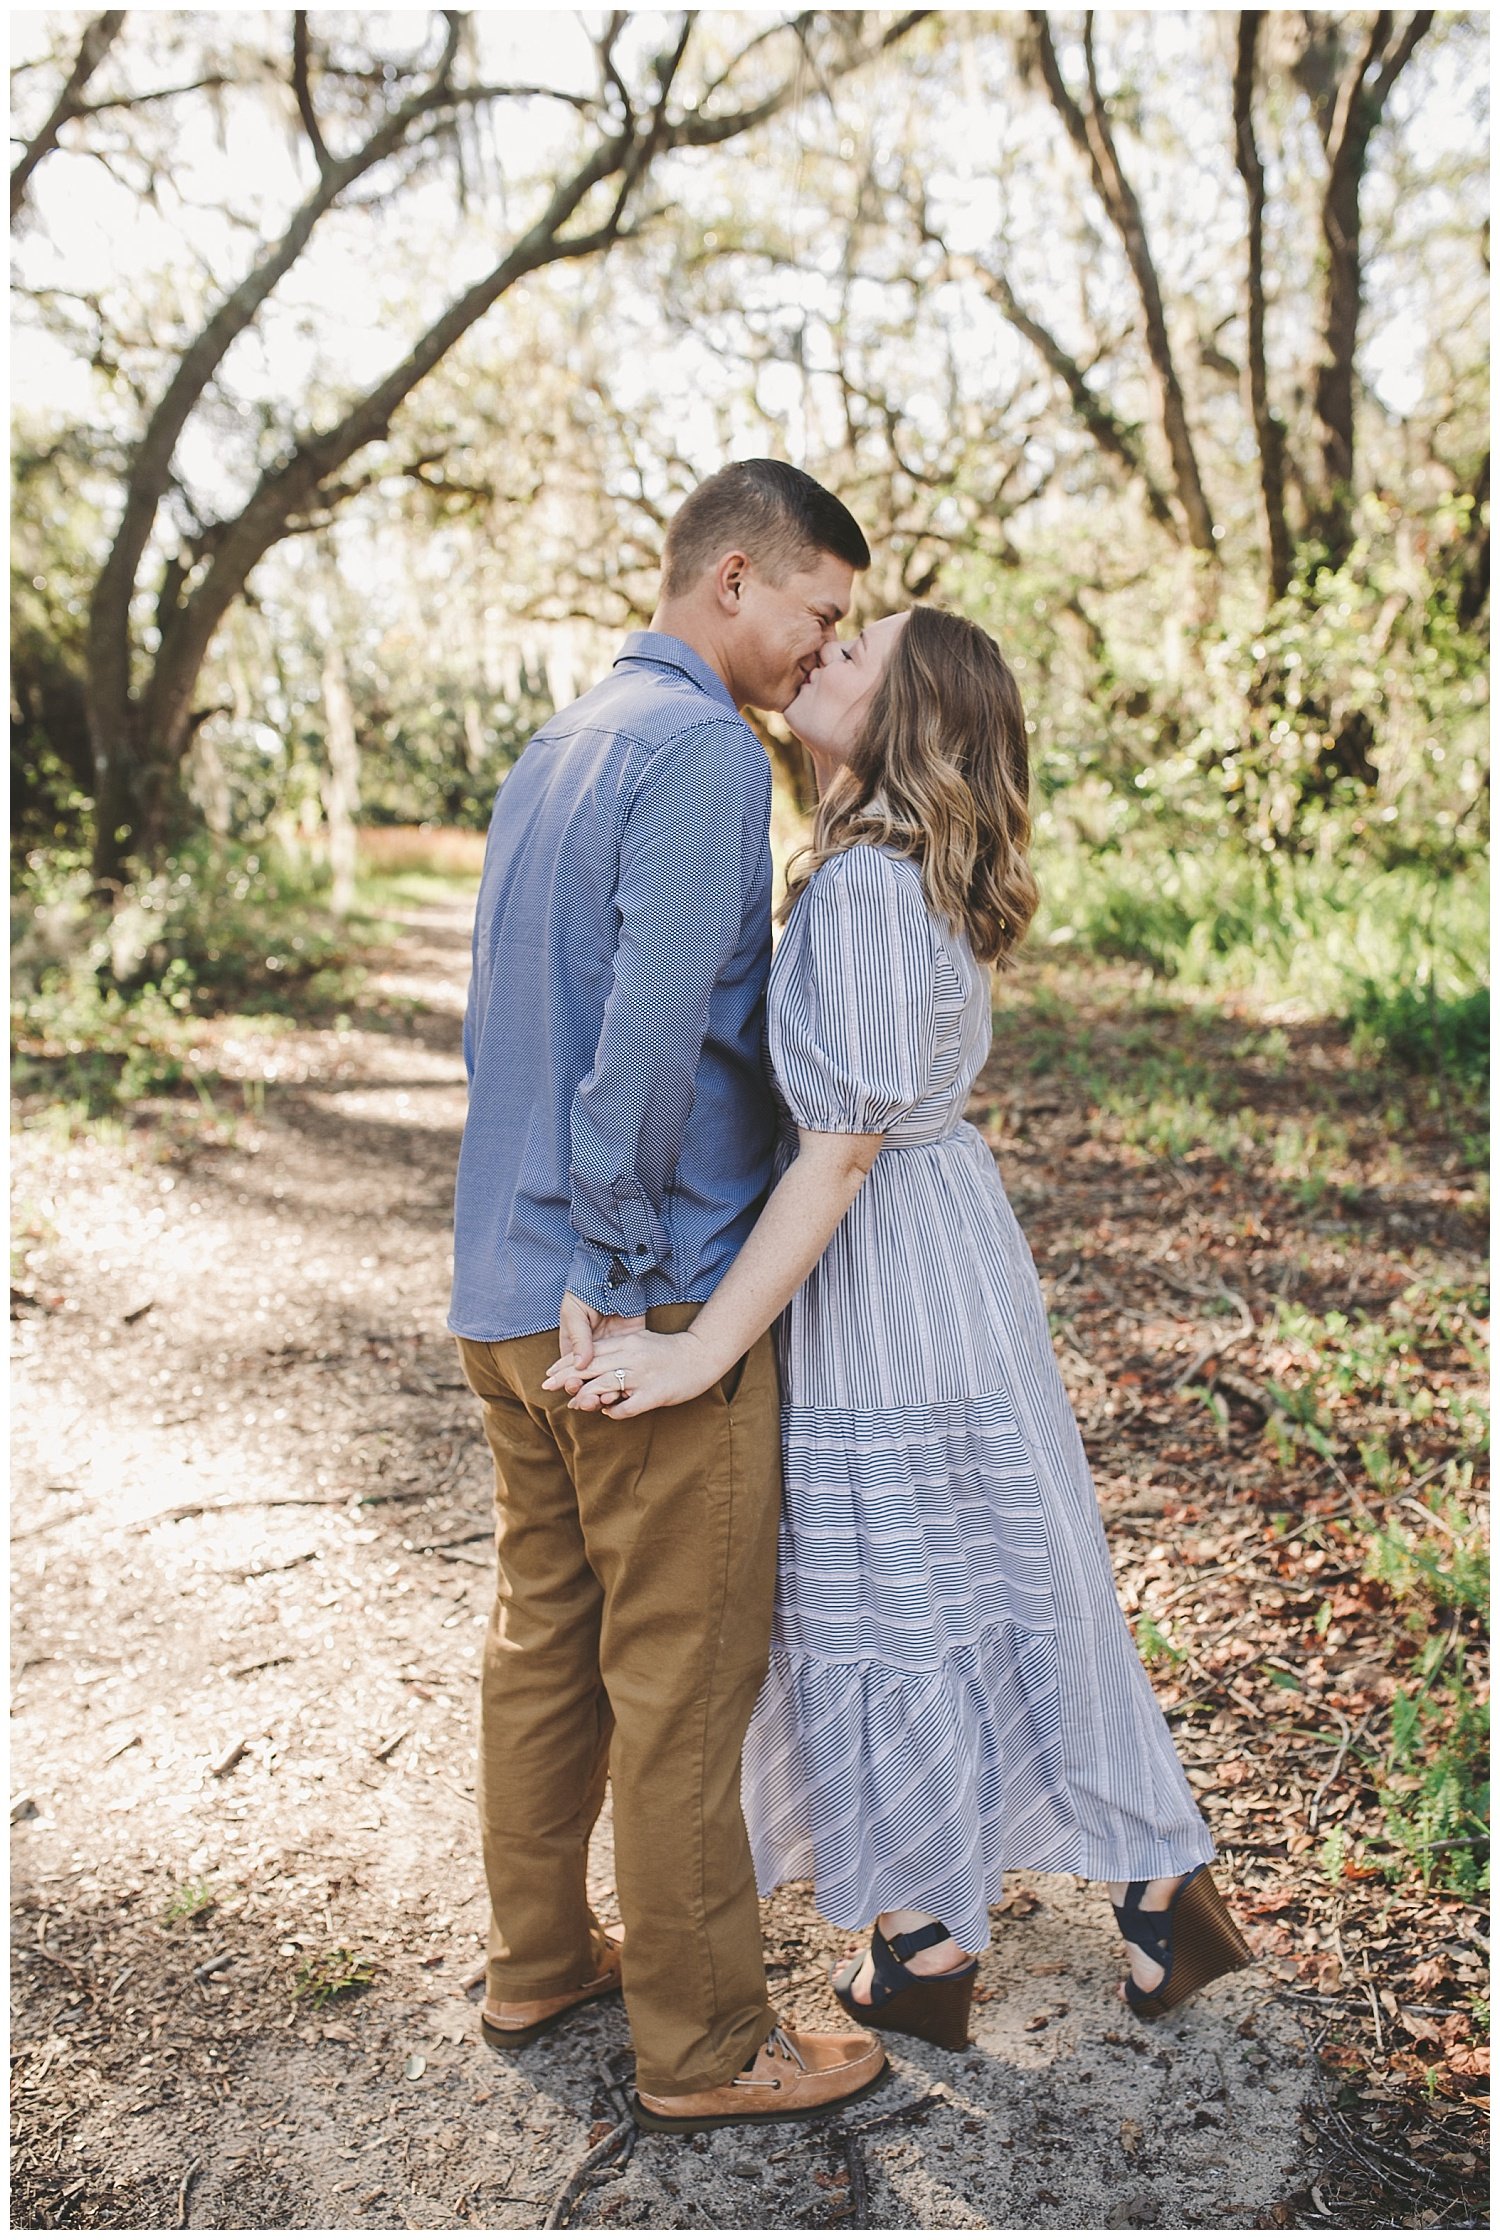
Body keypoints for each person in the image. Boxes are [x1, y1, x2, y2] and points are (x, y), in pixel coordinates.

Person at [554, 604, 1252, 2053]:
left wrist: (696, 1351)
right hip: (931, 1254)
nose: (823, 658)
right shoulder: (882, 872)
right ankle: (1084, 1898)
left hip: (890, 1270)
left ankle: (957, 1931)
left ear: (911, 717)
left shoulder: (871, 893)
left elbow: (839, 1151)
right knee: (979, 1568)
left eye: (854, 653)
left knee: (902, 1580)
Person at [449, 460, 892, 2137]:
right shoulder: (706, 754)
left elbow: (510, 1024)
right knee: (682, 1674)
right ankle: (708, 2044)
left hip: (504, 1292)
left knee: (545, 1639)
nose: (819, 646)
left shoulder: (560, 744)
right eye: (818, 613)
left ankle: (540, 1958)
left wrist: (547, 1264)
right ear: (731, 579)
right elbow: (641, 1046)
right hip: (633, 1310)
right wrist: (631, 1288)